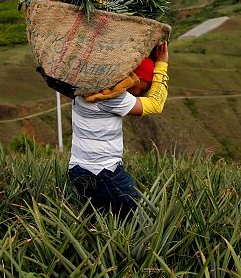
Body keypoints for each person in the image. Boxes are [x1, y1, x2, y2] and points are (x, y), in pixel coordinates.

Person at [67, 41, 169, 219]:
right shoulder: (111, 97)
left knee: (98, 220)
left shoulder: (87, 88)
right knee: (141, 220)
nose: (140, 94)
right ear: (134, 78)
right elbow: (155, 105)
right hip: (103, 173)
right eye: (143, 88)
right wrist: (162, 64)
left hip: (78, 170)